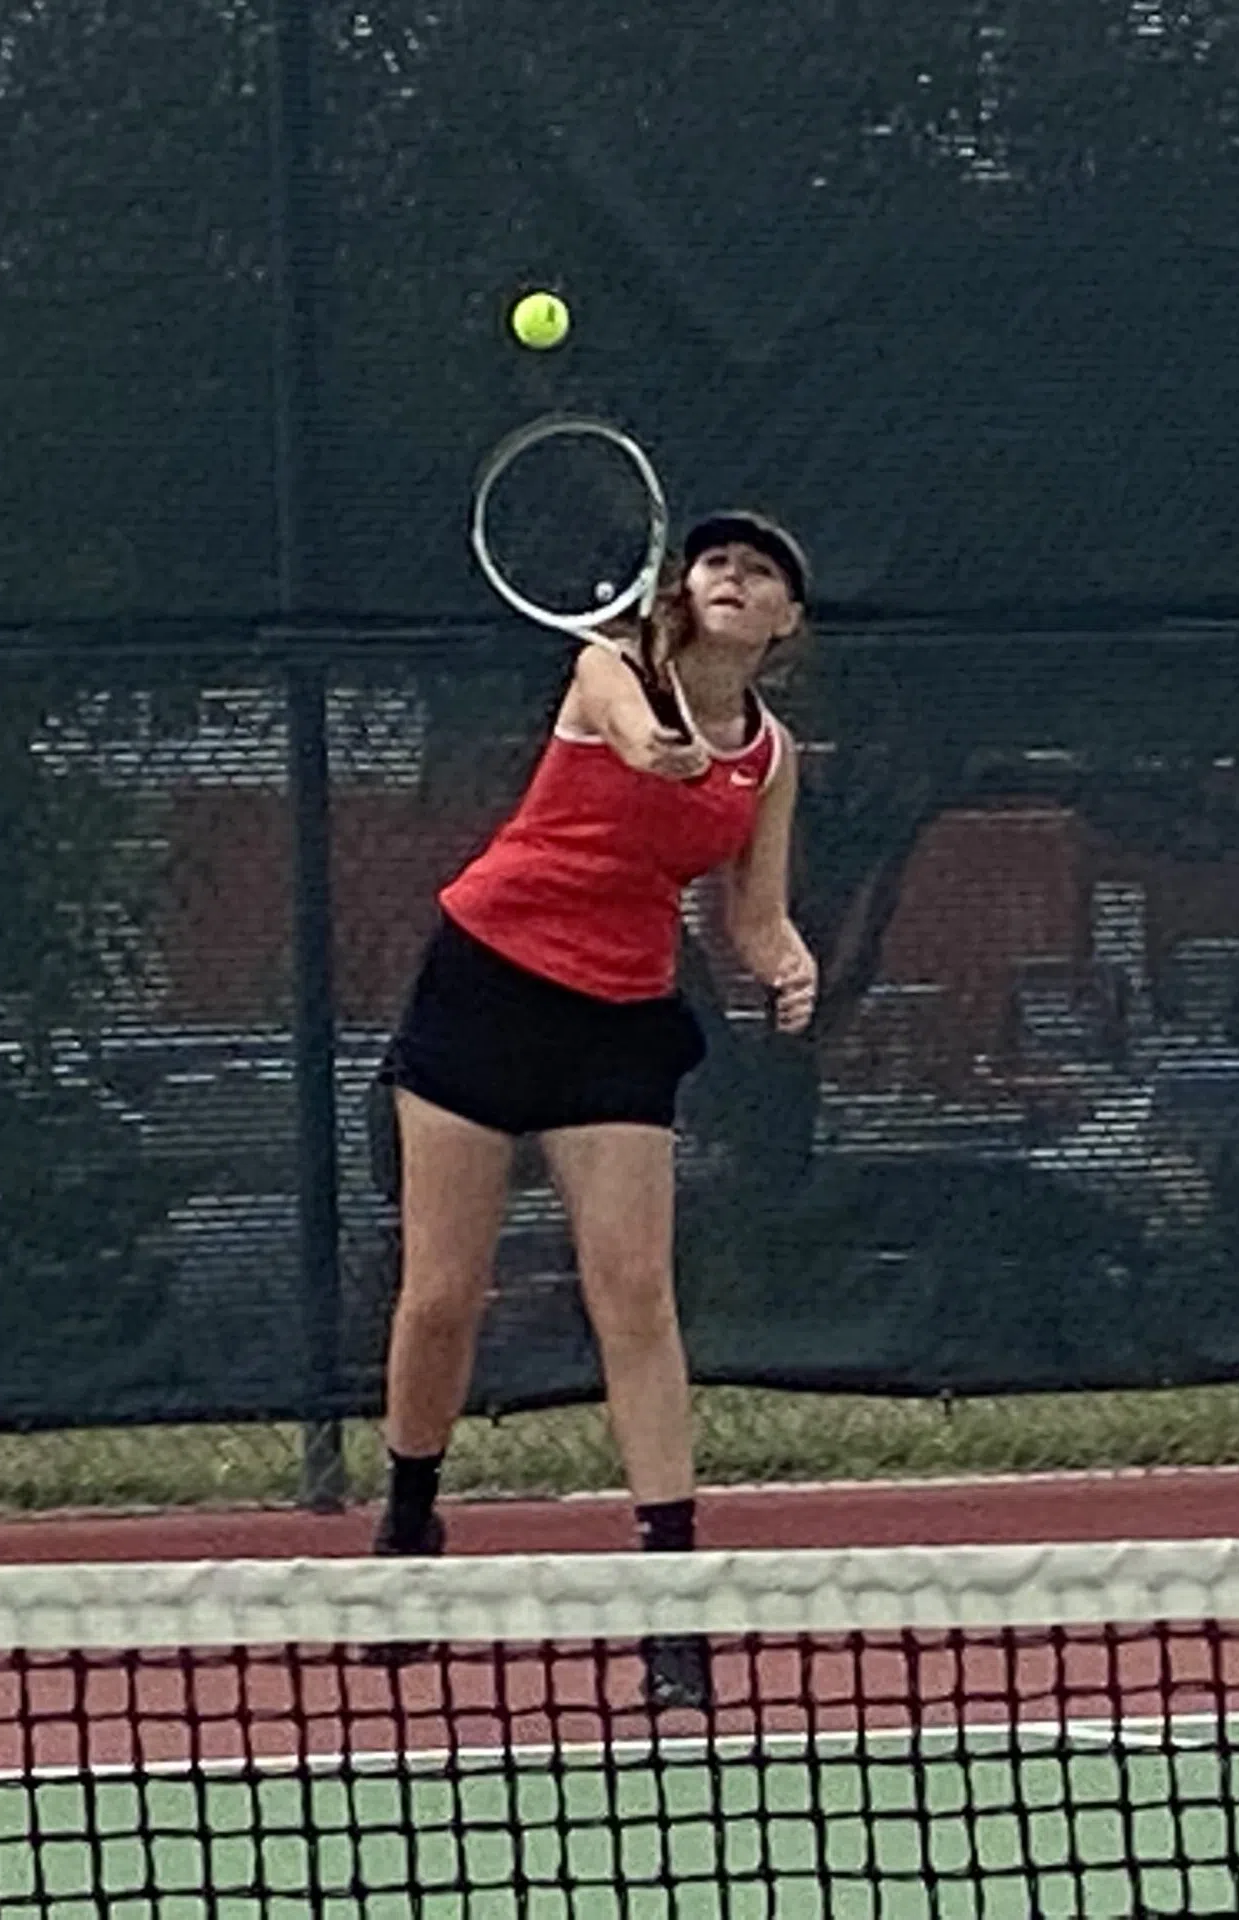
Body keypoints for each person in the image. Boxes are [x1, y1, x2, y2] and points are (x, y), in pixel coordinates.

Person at [370, 510, 817, 1709]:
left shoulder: (771, 758)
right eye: (717, 560)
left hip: (617, 1023)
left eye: (759, 570)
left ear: (784, 623)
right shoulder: (610, 665)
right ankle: (409, 1524)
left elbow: (753, 913)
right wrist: (660, 749)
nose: (733, 575)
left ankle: (670, 1610)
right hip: (483, 984)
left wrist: (788, 960)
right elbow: (628, 734)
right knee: (443, 1298)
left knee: (635, 1294)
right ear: (686, 589)